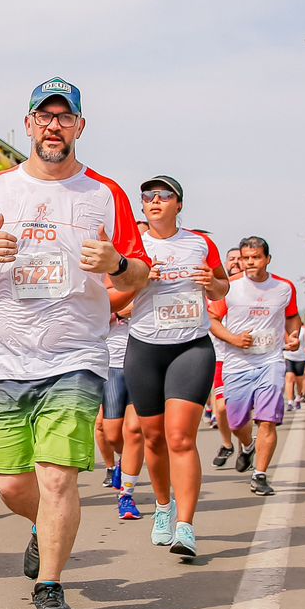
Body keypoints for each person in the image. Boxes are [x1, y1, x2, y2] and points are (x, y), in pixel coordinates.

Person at [0, 76, 150, 609]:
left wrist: (116, 265)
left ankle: (50, 583)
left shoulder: (105, 194)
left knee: (57, 477)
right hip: (7, 356)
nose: (53, 125)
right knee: (12, 485)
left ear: (80, 126)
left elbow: (140, 270)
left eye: (65, 116)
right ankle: (44, 527)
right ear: (29, 124)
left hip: (76, 353)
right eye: (44, 115)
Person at [118, 176, 228, 558]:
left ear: (179, 204)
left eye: (164, 195)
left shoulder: (200, 243)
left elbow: (222, 287)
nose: (155, 201)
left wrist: (211, 283)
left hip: (191, 347)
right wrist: (141, 280)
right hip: (145, 347)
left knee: (180, 436)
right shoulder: (134, 247)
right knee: (152, 437)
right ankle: (162, 508)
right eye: (148, 196)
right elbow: (112, 299)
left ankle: (186, 525)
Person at [210, 236, 301, 497]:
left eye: (256, 257)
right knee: (236, 421)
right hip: (236, 363)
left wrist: (293, 336)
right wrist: (233, 339)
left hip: (270, 360)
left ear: (267, 259)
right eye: (246, 258)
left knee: (267, 420)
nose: (250, 263)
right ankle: (247, 445)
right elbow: (213, 320)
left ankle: (260, 475)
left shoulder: (284, 288)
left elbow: (292, 317)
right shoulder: (229, 287)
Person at [98, 304, 144, 520]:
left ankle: (126, 495)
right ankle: (122, 463)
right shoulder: (101, 282)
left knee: (134, 429)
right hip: (111, 365)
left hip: (142, 360)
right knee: (113, 434)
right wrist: (117, 312)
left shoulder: (146, 281)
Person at [210, 246, 242, 467]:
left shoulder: (252, 289)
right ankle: (227, 443)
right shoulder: (215, 288)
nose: (236, 263)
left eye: (240, 259)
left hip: (248, 358)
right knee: (221, 407)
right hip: (221, 356)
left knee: (241, 411)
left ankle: (245, 447)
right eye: (231, 259)